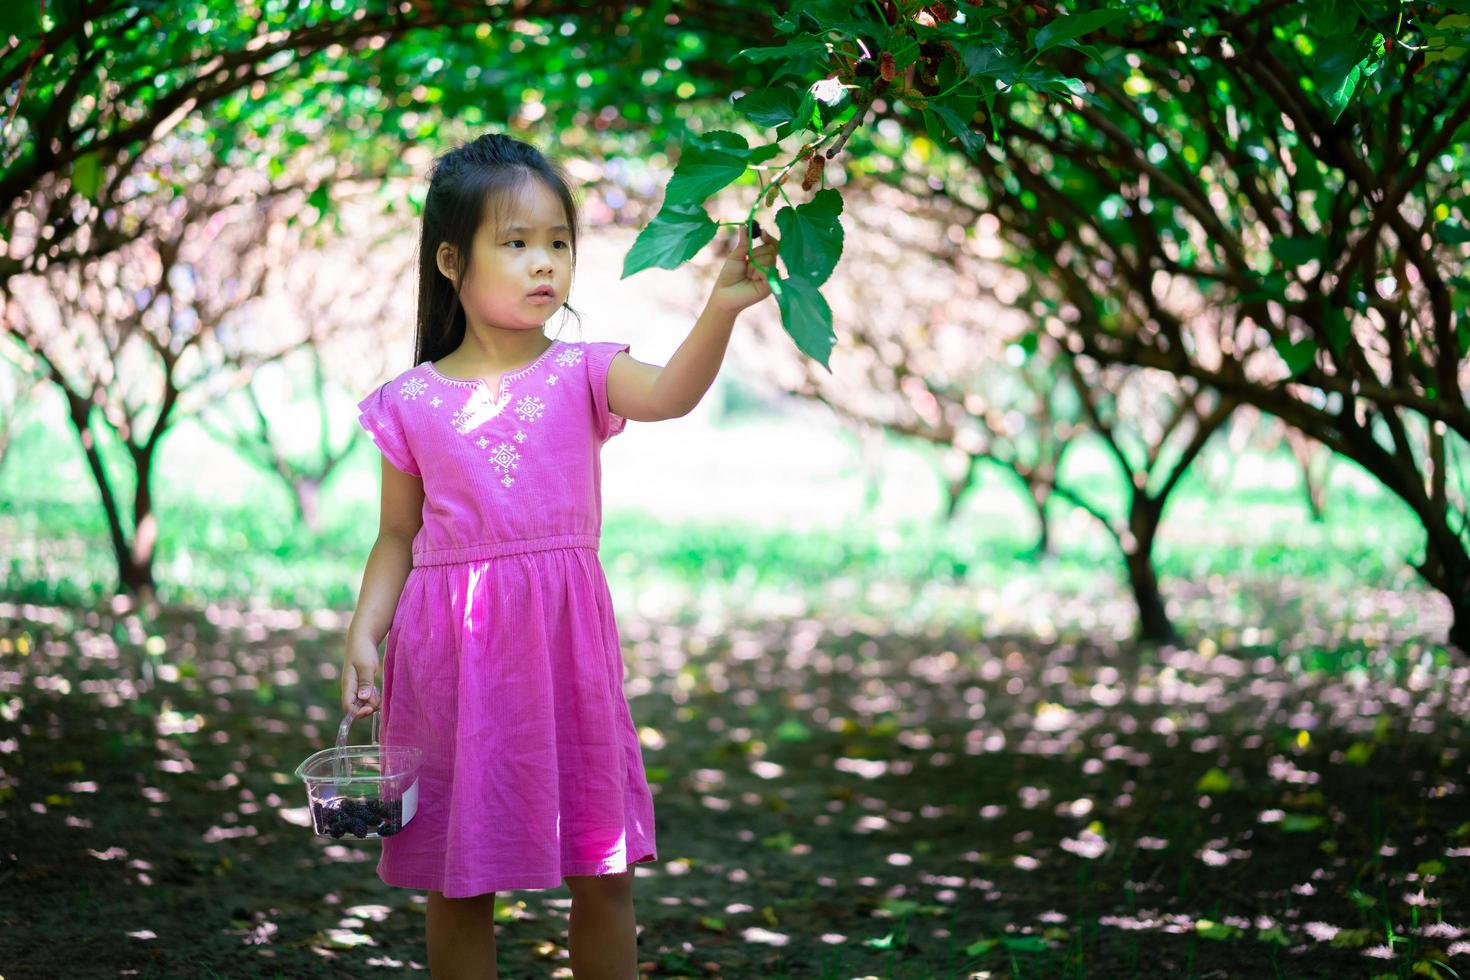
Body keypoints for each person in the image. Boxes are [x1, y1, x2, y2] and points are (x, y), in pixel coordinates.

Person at [340, 132, 779, 980]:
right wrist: (364, 633)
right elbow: (397, 535)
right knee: (458, 876)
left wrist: (719, 306)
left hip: (563, 652)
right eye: (516, 243)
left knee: (601, 864)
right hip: (448, 661)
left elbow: (672, 394)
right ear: (449, 260)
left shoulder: (583, 372)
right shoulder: (411, 403)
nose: (544, 262)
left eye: (558, 243)